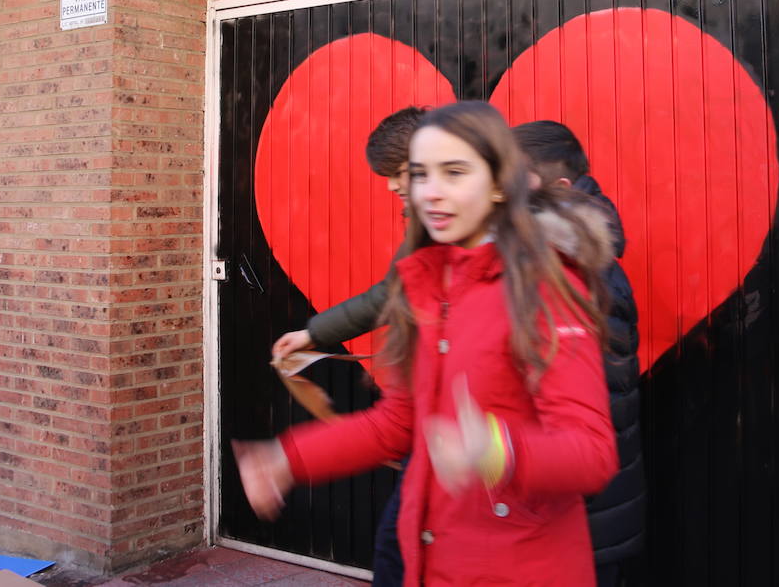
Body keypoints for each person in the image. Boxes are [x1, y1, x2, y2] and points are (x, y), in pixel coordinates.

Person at [238, 101, 619, 586]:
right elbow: (398, 423)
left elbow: (592, 453)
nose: (431, 193)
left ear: (501, 183)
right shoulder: (428, 284)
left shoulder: (541, 286)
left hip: (521, 564)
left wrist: (496, 450)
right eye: (419, 175)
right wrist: (288, 459)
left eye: (454, 172)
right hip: (436, 556)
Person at [271, 104, 425, 586]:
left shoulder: (457, 233)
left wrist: (289, 461)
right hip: (440, 447)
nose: (390, 186)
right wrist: (315, 333)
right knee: (397, 552)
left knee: (399, 555)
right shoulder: (429, 225)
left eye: (397, 173)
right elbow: (394, 292)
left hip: (464, 462)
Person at [513, 120, 647, 586]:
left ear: (560, 187)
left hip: (579, 509)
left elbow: (590, 402)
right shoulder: (555, 254)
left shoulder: (575, 272)